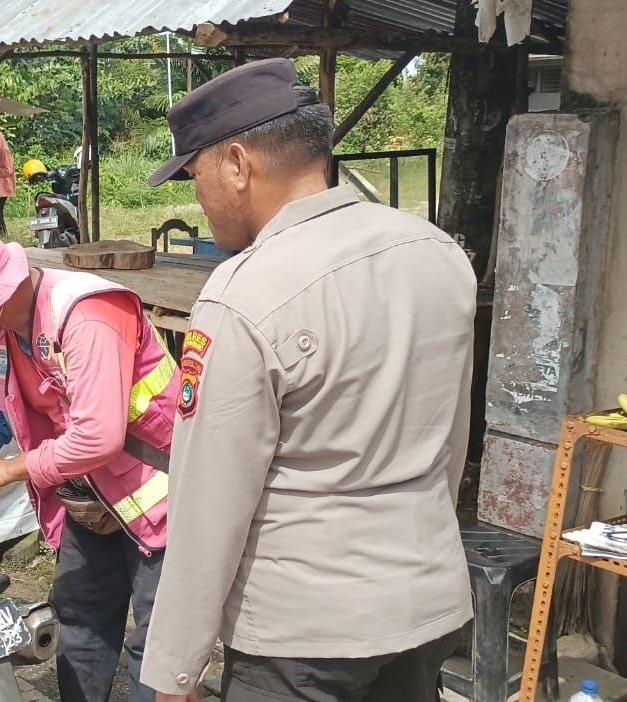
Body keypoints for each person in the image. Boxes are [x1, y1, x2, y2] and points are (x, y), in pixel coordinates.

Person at [141, 58, 476, 702]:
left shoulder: (243, 295)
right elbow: (448, 444)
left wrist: (175, 673)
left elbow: (209, 503)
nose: (198, 198)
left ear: (238, 164)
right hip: (427, 604)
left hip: (302, 640)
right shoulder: (435, 253)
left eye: (196, 175)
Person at [0, 220, 178, 702]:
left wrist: (5, 470)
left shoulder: (87, 314)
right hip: (90, 500)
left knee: (157, 649)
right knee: (79, 622)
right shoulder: (1, 333)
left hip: (161, 502)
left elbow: (97, 436)